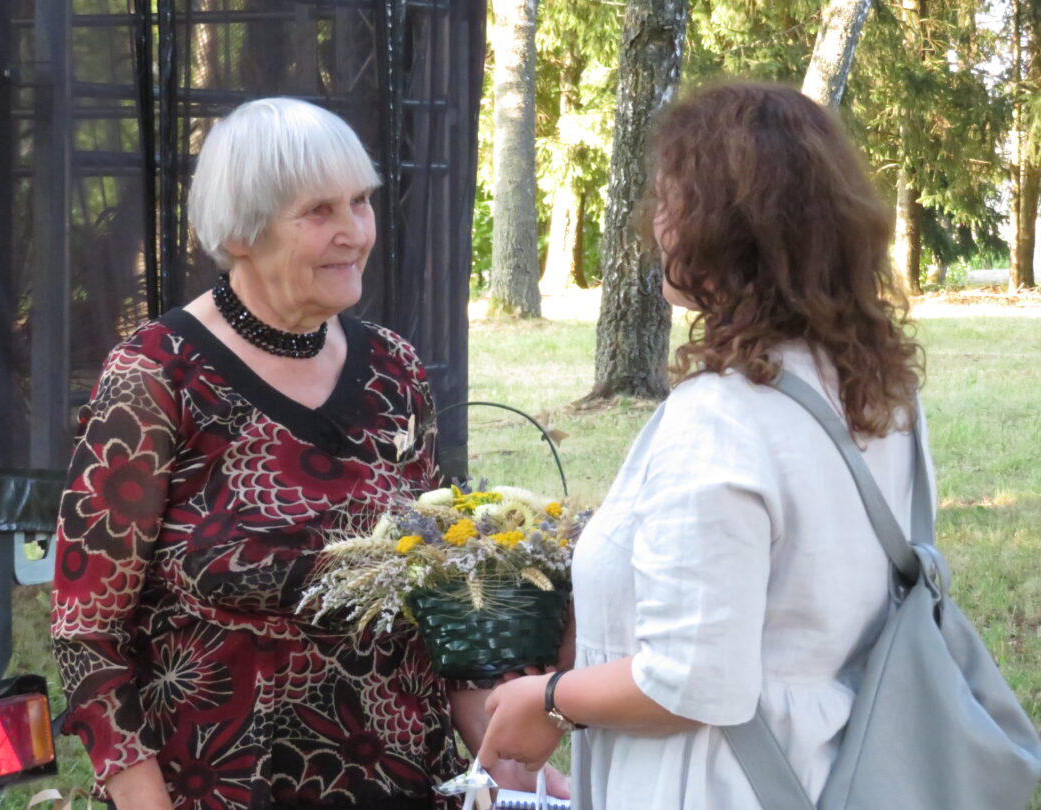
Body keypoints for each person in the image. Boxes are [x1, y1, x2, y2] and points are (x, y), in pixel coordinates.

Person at [50, 97, 537, 810]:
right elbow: (87, 628)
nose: (354, 233)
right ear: (241, 233)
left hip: (402, 778)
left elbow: (438, 593)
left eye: (360, 201)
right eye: (318, 211)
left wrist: (506, 766)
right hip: (224, 785)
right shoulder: (158, 374)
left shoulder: (394, 369)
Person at [478, 81, 930, 809]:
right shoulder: (876, 391)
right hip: (841, 765)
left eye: (671, 200)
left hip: (721, 782)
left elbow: (690, 681)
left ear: (726, 230)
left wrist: (550, 700)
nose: (656, 221)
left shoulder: (722, 417)